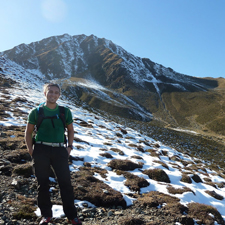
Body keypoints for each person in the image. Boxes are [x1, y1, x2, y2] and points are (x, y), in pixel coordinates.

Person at [25, 83, 82, 225]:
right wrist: (31, 150)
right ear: (45, 93)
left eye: (56, 92)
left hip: (59, 150)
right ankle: (46, 215)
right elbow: (28, 132)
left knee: (65, 184)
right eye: (50, 92)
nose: (53, 95)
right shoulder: (36, 111)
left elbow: (70, 130)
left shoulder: (65, 111)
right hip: (41, 150)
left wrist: (69, 147)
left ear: (59, 95)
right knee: (42, 183)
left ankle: (72, 216)